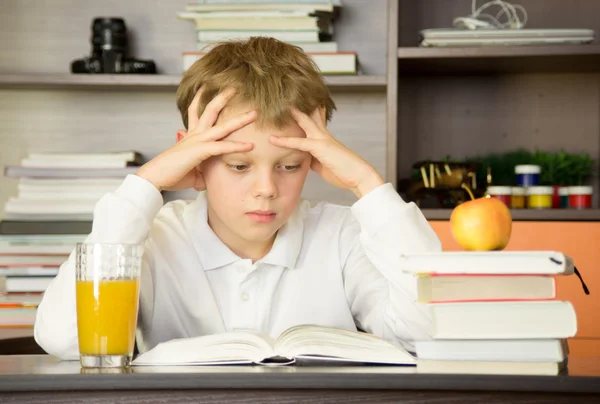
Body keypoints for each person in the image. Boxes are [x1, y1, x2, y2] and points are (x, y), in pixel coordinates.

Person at [34, 37, 442, 360]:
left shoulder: (343, 235)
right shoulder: (151, 239)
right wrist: (147, 184)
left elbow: (428, 334)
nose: (266, 189)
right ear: (193, 159)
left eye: (290, 165)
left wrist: (367, 185)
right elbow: (65, 339)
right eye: (238, 166)